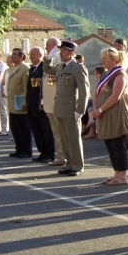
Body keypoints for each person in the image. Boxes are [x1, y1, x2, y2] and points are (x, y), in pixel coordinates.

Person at [44, 40, 90, 176]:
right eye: (60, 50)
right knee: (64, 139)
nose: (61, 53)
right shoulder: (61, 67)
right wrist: (48, 57)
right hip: (59, 108)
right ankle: (69, 164)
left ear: (71, 53)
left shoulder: (78, 68)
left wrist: (80, 110)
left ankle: (77, 165)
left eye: (63, 51)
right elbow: (47, 69)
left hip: (71, 109)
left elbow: (84, 91)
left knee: (74, 139)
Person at [93, 47, 128, 185]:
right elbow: (96, 92)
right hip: (104, 113)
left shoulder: (120, 75)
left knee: (118, 145)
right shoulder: (105, 74)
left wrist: (100, 109)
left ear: (114, 60)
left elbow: (116, 96)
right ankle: (116, 173)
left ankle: (122, 176)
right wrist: (95, 108)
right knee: (110, 145)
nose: (103, 60)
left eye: (105, 58)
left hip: (116, 115)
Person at [26, 47, 55, 163]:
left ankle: (49, 153)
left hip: (41, 105)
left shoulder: (44, 68)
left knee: (46, 131)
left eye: (33, 54)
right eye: (30, 54)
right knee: (37, 131)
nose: (30, 56)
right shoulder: (32, 69)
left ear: (40, 55)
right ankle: (42, 152)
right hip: (32, 105)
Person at [42, 37, 67, 166]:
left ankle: (65, 156)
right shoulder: (49, 58)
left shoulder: (59, 58)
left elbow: (53, 73)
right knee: (56, 131)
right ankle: (61, 156)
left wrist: (51, 56)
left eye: (47, 45)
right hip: (48, 101)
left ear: (54, 46)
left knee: (60, 131)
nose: (46, 48)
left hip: (56, 101)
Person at [6, 48, 32, 157]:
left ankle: (26, 150)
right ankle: (19, 148)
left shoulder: (25, 68)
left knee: (23, 128)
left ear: (21, 57)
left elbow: (26, 87)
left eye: (15, 54)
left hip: (20, 103)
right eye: (12, 54)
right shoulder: (12, 68)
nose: (13, 56)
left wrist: (26, 102)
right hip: (12, 104)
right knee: (15, 128)